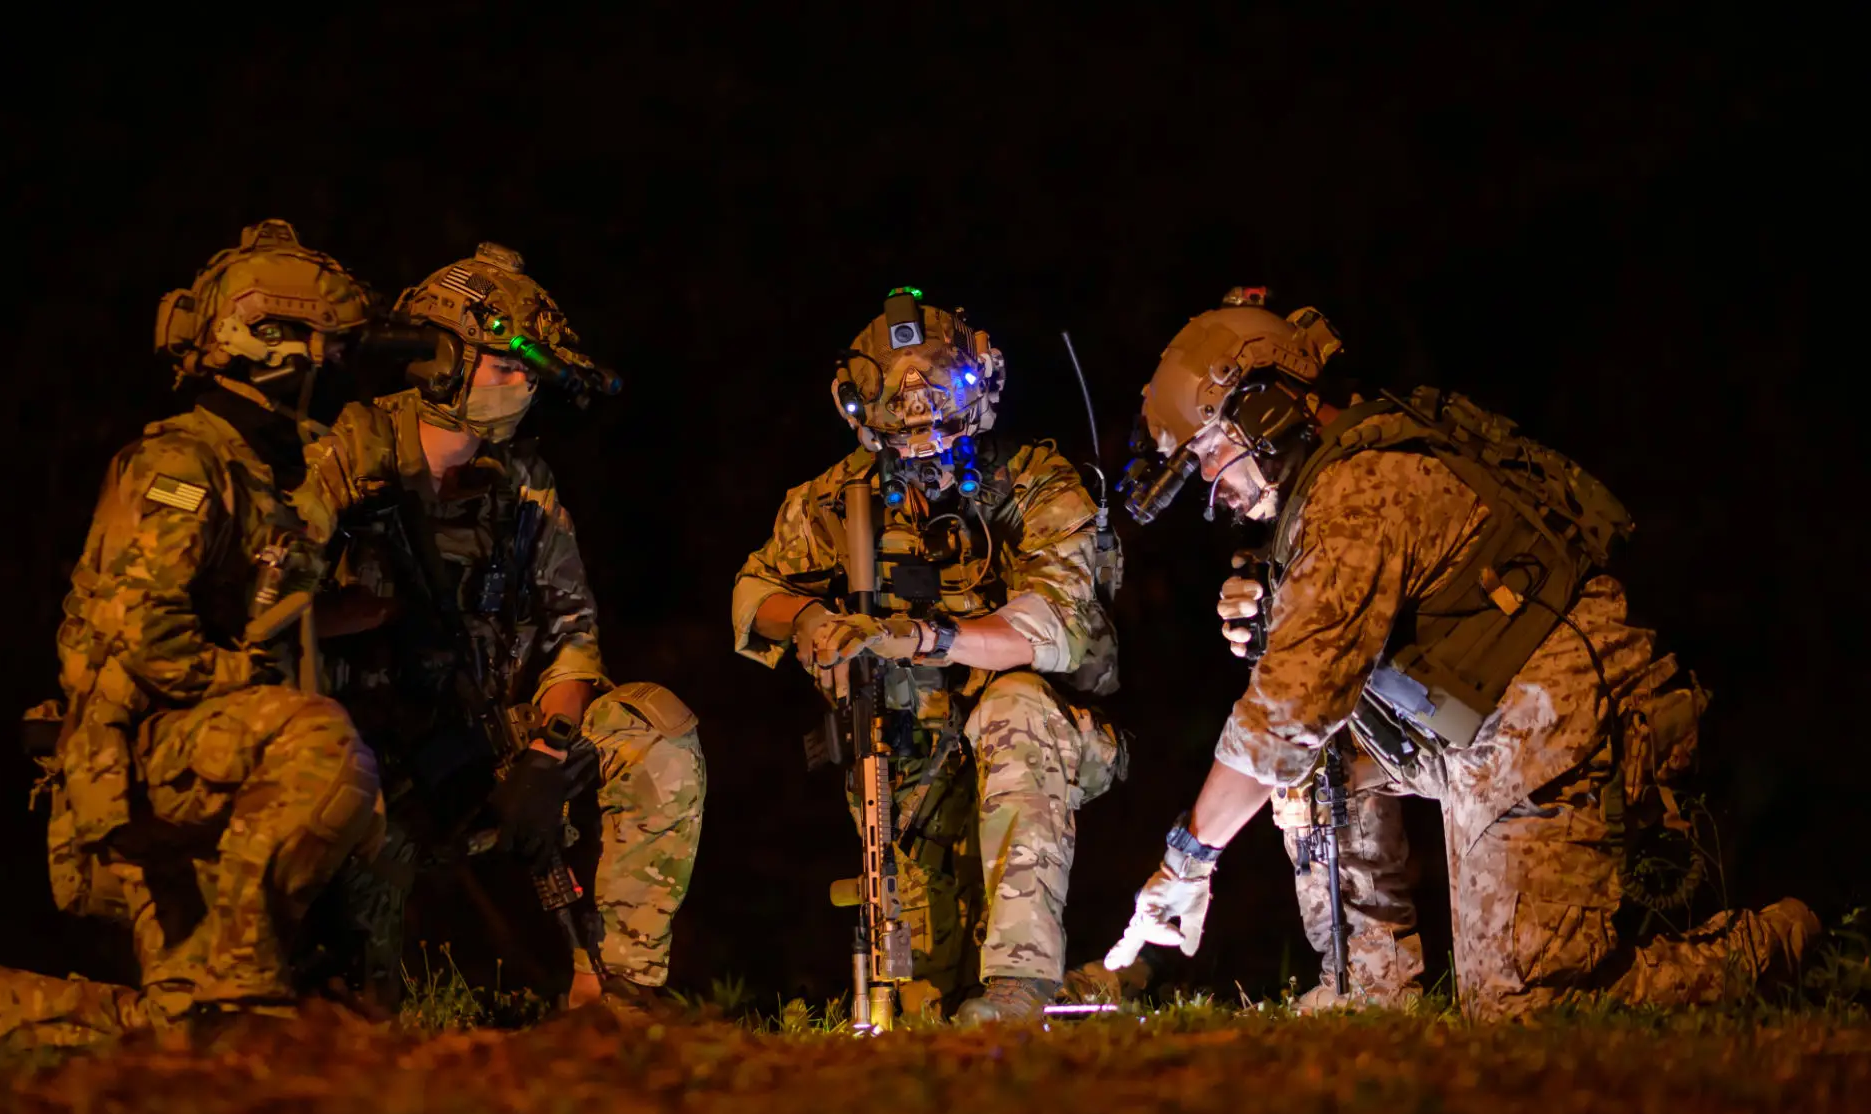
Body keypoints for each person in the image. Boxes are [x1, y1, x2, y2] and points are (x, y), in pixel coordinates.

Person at [1105, 288, 1820, 1018]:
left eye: (1211, 452)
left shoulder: (1360, 490)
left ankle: (1785, 948)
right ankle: (1372, 989)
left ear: (1261, 411)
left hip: (1558, 719)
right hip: (1484, 720)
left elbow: (1286, 712)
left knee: (1523, 1009)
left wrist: (1188, 861)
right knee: (1317, 771)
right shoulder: (1327, 493)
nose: (1215, 490)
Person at [0, 221, 389, 1049]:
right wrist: (252, 674)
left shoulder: (261, 470)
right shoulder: (182, 464)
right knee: (323, 744)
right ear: (275, 341)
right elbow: (142, 640)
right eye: (325, 346)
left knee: (178, 1034)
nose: (332, 369)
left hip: (194, 771)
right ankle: (245, 989)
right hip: (138, 777)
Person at [316, 243, 705, 1012]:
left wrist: (545, 753)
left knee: (652, 726)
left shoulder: (522, 484)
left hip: (485, 746)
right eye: (505, 366)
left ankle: (618, 987)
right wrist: (365, 612)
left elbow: (573, 634)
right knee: (345, 1014)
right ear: (443, 361)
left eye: (531, 372)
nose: (522, 386)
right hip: (363, 774)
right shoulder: (342, 458)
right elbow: (259, 613)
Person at [732, 289, 1125, 1026]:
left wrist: (929, 638)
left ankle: (1021, 983)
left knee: (1015, 707)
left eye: (944, 430)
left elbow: (1057, 624)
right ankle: (1073, 989)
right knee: (923, 1008)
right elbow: (754, 594)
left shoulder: (1037, 481)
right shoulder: (839, 496)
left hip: (1035, 743)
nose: (929, 456)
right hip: (911, 766)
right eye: (908, 437)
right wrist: (813, 622)